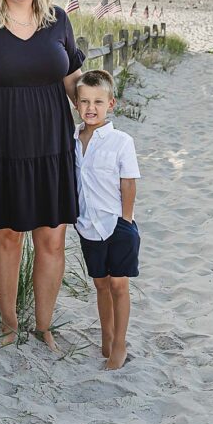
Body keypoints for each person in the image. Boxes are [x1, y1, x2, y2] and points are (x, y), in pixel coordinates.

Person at [0, 0, 85, 351]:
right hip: (1, 144)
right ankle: (8, 324)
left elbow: (72, 77)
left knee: (52, 238)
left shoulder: (57, 20)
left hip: (52, 143)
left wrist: (95, 118)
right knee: (7, 237)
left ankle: (43, 326)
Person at [73, 69, 141, 370]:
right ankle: (107, 334)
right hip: (88, 225)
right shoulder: (72, 139)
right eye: (85, 101)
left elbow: (128, 182)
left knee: (118, 284)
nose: (91, 108)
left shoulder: (121, 141)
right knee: (100, 283)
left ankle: (120, 343)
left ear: (110, 104)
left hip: (117, 224)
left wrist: (126, 220)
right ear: (77, 104)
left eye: (98, 102)